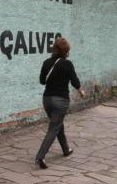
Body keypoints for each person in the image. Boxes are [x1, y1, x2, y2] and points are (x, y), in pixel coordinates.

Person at [35, 37, 85, 169]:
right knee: (54, 128)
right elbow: (74, 81)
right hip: (60, 101)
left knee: (57, 125)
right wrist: (80, 90)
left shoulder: (46, 62)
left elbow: (42, 81)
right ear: (66, 51)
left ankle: (66, 149)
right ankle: (40, 156)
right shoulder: (67, 64)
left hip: (47, 100)